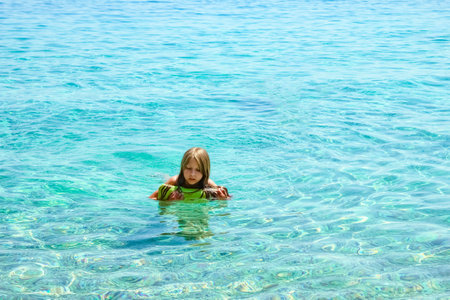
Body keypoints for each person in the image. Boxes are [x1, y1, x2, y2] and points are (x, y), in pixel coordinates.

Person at [149, 147, 230, 200]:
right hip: (178, 181)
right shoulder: (174, 181)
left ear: (205, 172)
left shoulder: (208, 183)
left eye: (198, 170)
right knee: (165, 178)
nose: (192, 174)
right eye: (188, 168)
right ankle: (160, 175)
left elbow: (228, 200)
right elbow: (151, 198)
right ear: (183, 168)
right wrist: (169, 201)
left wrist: (222, 200)